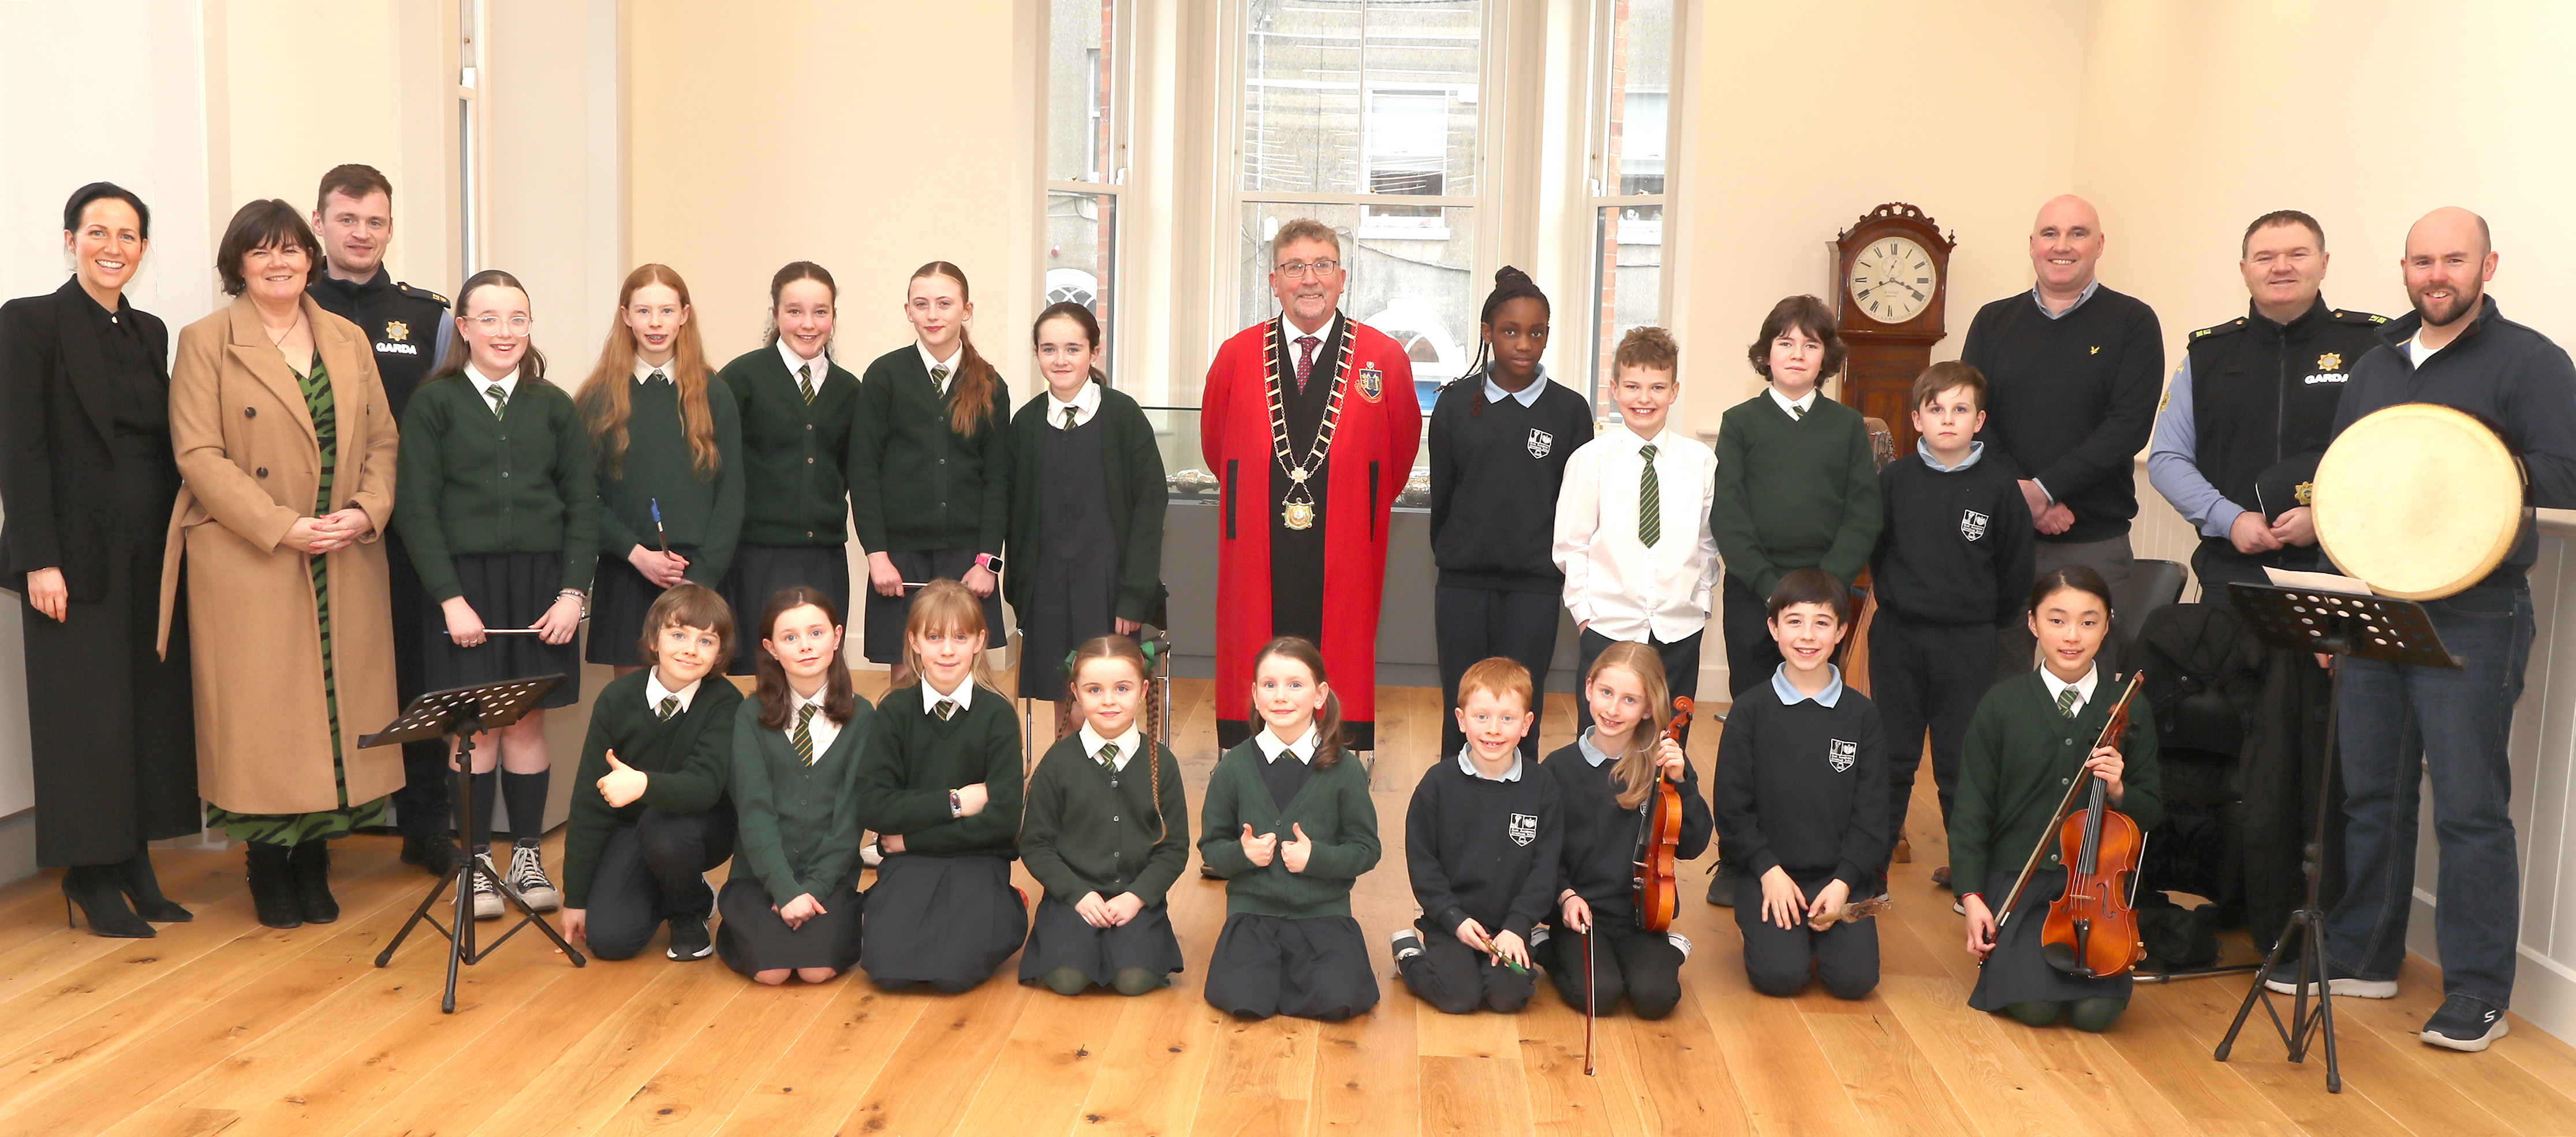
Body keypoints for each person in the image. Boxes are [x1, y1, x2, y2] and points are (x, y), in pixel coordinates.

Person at [2287, 207, 2576, 1052]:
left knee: (2468, 806)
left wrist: (2463, 460)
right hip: (2374, 603)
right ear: (2403, 270)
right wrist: (2337, 603)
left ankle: (2478, 990)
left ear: (2488, 266)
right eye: (2421, 261)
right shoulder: (2375, 365)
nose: (2434, 275)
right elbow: (2345, 492)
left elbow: (2563, 474)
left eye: (2453, 259)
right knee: (2370, 794)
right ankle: (2364, 955)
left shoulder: (2531, 362)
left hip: (2476, 611)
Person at [157, 199, 402, 930]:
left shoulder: (348, 337)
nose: (279, 262)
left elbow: (385, 440)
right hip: (249, 551)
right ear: (238, 263)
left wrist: (365, 511)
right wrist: (280, 525)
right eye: (261, 252)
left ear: (310, 257)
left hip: (341, 548)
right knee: (265, 715)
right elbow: (197, 453)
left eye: (291, 249)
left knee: (335, 702)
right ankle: (268, 858)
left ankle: (317, 855)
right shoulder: (205, 341)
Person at [0, 182, 199, 937]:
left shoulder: (149, 330)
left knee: (146, 709)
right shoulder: (29, 322)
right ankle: (90, 872)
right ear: (69, 239)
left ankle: (135, 859)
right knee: (84, 716)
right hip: (72, 557)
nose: (112, 246)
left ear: (144, 248)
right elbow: (18, 449)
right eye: (97, 231)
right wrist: (38, 557)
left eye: (128, 234)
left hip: (153, 550)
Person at [395, 267, 595, 918]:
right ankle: (476, 860)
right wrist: (450, 598)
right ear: (464, 327)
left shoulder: (554, 405)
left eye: (517, 319)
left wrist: (573, 594)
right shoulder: (434, 402)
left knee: (527, 723)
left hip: (542, 587)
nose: (504, 332)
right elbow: (416, 510)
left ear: (530, 327)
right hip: (463, 590)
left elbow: (582, 508)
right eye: (489, 318)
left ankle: (527, 855)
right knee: (475, 730)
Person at [1199, 220, 1421, 752]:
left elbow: (1401, 449)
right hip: (1255, 540)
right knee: (1254, 640)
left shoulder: (1383, 357)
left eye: (1322, 265)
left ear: (1342, 278)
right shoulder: (1236, 354)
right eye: (1294, 267)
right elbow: (1215, 445)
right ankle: (1252, 756)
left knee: (1340, 645)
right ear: (1274, 281)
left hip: (1346, 541)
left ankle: (1338, 760)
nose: (1309, 279)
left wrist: (1357, 499)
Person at [304, 163, 459, 877]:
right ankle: (315, 827)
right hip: (316, 530)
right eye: (347, 218)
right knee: (318, 676)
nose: (361, 233)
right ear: (320, 225)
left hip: (405, 532)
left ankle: (427, 824)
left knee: (417, 675)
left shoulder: (429, 315)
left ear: (390, 228)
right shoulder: (290, 305)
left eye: (375, 221)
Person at [1952, 566, 2164, 1032]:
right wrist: (1971, 896)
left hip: (2096, 892)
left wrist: (2119, 790)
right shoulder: (2001, 704)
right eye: (2057, 620)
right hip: (2021, 883)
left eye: (2089, 621)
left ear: (2108, 625)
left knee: (2096, 1014)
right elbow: (1971, 810)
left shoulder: (2129, 704)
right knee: (2036, 1008)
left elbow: (2151, 810)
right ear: (2032, 623)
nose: (2072, 636)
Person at [1960, 195, 2163, 674]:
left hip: (2092, 537)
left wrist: (2046, 489)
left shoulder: (2133, 322)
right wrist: (2021, 495)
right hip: (2003, 535)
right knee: (1997, 684)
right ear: (2032, 245)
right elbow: (1970, 416)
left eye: (2078, 234)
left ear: (2099, 245)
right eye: (2050, 234)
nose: (2062, 246)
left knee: (2086, 687)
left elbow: (2127, 426)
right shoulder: (1993, 321)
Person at [2149, 210, 2389, 593]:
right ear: (2245, 269)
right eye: (2265, 257)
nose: (2281, 267)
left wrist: (2327, 519)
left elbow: (2395, 457)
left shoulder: (2372, 347)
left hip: (2338, 575)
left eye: (2298, 254)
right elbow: (2167, 459)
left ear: (2324, 264)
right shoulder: (2208, 355)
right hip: (2231, 577)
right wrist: (2228, 519)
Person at [1870, 361, 2033, 892]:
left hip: (1968, 642)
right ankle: (1870, 870)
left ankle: (1971, 878)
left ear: (1979, 420)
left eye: (1960, 410)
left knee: (1961, 763)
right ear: (1916, 418)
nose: (1947, 420)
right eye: (1936, 409)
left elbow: (2014, 572)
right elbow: (1878, 552)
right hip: (1898, 636)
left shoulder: (1998, 487)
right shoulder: (1894, 481)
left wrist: (1977, 619)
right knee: (1891, 756)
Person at [1427, 267, 1593, 763]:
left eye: (1536, 332)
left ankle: (1520, 810)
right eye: (1511, 331)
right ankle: (1453, 806)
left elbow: (1576, 508)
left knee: (1522, 708)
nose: (1524, 343)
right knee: (1464, 707)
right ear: (1488, 333)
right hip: (1461, 587)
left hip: (1534, 590)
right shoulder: (1455, 404)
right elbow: (1444, 499)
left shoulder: (1570, 411)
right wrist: (1457, 554)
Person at [1711, 569, 1888, 1001]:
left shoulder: (1862, 715)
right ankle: (1773, 928)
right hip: (1770, 873)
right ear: (1773, 628)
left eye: (1822, 623)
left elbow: (1873, 815)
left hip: (1839, 878)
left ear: (1842, 631)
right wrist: (1768, 871)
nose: (1807, 636)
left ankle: (1820, 929)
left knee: (1855, 982)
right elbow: (1732, 810)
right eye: (1794, 621)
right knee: (1780, 977)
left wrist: (1845, 881)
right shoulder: (1750, 711)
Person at [852, 579, 1027, 991]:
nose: (947, 650)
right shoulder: (895, 709)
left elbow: (1002, 824)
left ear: (979, 641)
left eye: (959, 637)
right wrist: (956, 802)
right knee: (888, 970)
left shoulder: (997, 715)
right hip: (916, 863)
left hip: (976, 859)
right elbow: (875, 808)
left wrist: (909, 838)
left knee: (953, 975)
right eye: (934, 637)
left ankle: (1008, 904)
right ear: (914, 641)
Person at [1196, 637, 1382, 1020]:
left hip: (1323, 913)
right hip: (1253, 913)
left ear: (1320, 695)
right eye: (1269, 685)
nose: (1281, 696)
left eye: (1295, 684)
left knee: (1339, 1001)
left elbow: (1367, 848)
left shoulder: (1345, 769)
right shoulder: (1232, 768)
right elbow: (1211, 846)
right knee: (1242, 1001)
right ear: (1254, 694)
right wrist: (1242, 854)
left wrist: (1317, 858)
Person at [560, 582, 743, 963]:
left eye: (706, 641)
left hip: (698, 827)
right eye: (678, 634)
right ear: (654, 639)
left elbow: (706, 786)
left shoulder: (725, 701)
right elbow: (588, 803)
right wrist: (575, 898)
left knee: (666, 830)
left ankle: (689, 907)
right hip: (631, 830)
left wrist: (640, 783)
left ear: (720, 653)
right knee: (610, 940)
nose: (691, 649)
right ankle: (667, 884)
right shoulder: (616, 698)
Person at [1709, 294, 1882, 696]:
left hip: (1824, 594)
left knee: (1818, 703)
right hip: (1754, 592)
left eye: (1811, 345)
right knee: (1754, 704)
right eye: (1785, 343)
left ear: (1826, 358)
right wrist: (1771, 587)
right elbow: (1728, 512)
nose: (1797, 354)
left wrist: (1824, 590)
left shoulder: (1848, 426)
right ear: (1766, 354)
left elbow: (1864, 514)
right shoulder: (1739, 423)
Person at [1552, 327, 1720, 740]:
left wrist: (1698, 603)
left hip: (1678, 627)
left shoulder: (1700, 461)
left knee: (1668, 743)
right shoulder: (1590, 460)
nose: (1644, 398)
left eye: (1657, 387)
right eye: (1632, 386)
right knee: (1602, 739)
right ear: (1614, 388)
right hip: (1608, 623)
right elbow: (1571, 545)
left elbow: (1707, 542)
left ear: (1674, 390)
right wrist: (1584, 614)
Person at [578, 263, 744, 676]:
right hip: (627, 572)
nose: (656, 323)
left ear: (684, 315)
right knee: (636, 714)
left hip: (698, 579)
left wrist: (701, 579)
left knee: (700, 714)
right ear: (625, 316)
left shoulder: (714, 394)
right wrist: (637, 554)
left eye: (667, 311)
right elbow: (582, 496)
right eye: (644, 311)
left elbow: (732, 495)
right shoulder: (597, 398)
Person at [848, 262, 1013, 665]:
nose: (933, 314)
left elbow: (999, 480)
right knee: (905, 672)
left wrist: (988, 562)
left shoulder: (990, 384)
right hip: (899, 558)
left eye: (944, 303)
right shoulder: (884, 376)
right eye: (922, 304)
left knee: (962, 667)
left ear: (967, 310)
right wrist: (877, 554)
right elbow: (863, 469)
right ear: (908, 311)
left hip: (968, 557)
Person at [1005, 302, 1166, 714]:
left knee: (1107, 693)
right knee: (1064, 695)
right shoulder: (1024, 424)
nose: (1060, 360)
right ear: (1037, 353)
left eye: (1073, 348)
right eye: (1049, 349)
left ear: (1094, 353)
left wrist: (1133, 597)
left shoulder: (1123, 416)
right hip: (1046, 586)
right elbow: (1012, 510)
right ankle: (1067, 775)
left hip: (1110, 588)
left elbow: (1150, 508)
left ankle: (1111, 775)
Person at [1539, 642, 1708, 1020]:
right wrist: (1564, 897)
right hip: (1578, 913)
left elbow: (1693, 845)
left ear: (1649, 708)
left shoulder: (1665, 765)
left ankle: (1665, 950)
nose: (1613, 709)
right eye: (1606, 693)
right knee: (1601, 995)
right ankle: (1546, 947)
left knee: (1656, 998)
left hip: (1640, 916)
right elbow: (1543, 854)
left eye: (1630, 700)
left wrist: (1682, 783)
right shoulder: (1558, 769)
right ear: (1588, 688)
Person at [719, 587, 877, 984]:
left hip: (831, 875)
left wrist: (815, 886)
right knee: (771, 973)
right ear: (772, 648)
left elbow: (851, 818)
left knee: (815, 970)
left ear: (837, 636)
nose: (805, 646)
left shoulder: (863, 717)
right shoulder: (750, 713)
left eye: (816, 633)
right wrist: (785, 889)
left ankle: (832, 920)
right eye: (790, 637)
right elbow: (753, 811)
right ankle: (741, 920)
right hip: (761, 875)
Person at [1017, 635, 1190, 996]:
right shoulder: (1058, 763)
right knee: (1066, 980)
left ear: (1143, 691)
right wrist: (1077, 894)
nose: (1109, 700)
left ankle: (1136, 941)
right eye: (1094, 690)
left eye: (1122, 688)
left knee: (1134, 981)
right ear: (1076, 693)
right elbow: (1035, 845)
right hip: (1073, 899)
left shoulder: (1162, 763)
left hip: (1135, 899)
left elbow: (1173, 848)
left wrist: (1138, 896)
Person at [1390, 657, 1558, 1015]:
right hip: (1452, 921)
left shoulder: (1542, 786)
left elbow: (1545, 869)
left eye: (1507, 718)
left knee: (1508, 997)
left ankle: (1507, 956)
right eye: (1482, 717)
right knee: (1459, 997)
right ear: (1461, 720)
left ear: (1527, 724)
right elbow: (1423, 864)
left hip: (1509, 923)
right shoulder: (1437, 784)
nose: (1494, 729)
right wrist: (1453, 919)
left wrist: (1517, 927)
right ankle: (1409, 956)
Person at [716, 261, 860, 671]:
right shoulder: (740, 378)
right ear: (776, 314)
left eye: (821, 311)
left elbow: (855, 473)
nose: (808, 324)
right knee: (759, 675)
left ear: (834, 316)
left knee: (820, 673)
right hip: (756, 558)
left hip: (826, 559)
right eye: (795, 311)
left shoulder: (850, 390)